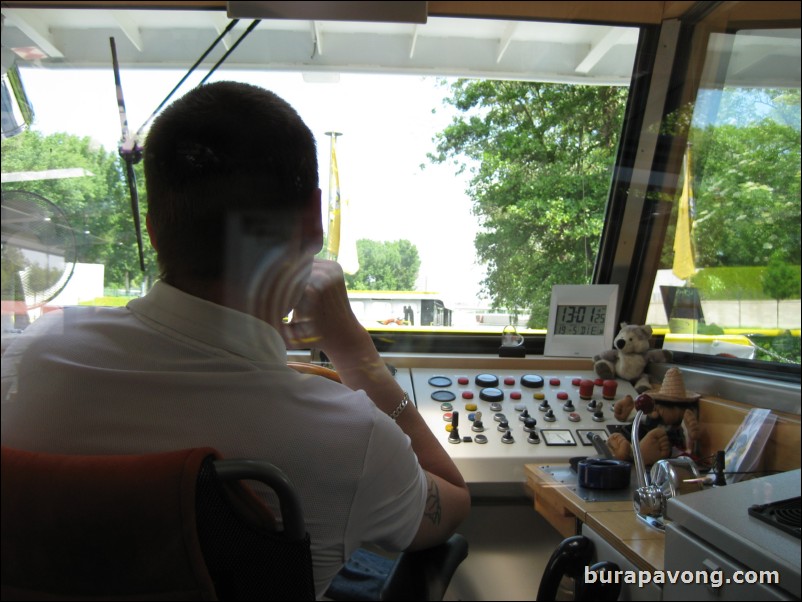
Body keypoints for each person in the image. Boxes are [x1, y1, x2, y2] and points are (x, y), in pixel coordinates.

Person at [0, 81, 471, 599]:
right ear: (313, 221)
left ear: (154, 230)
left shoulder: (28, 359)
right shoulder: (351, 440)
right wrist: (356, 352)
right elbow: (452, 502)